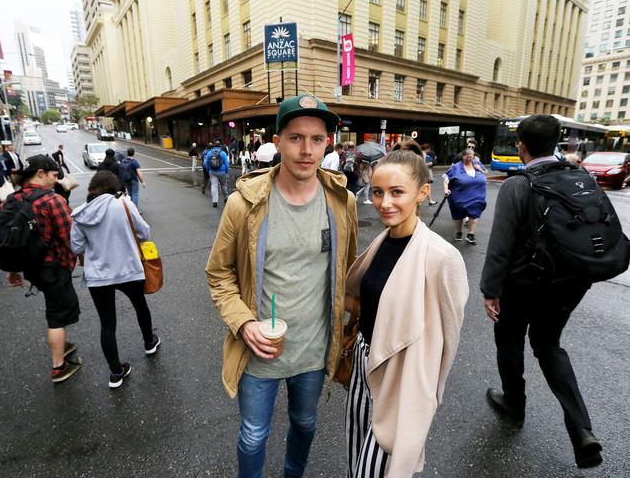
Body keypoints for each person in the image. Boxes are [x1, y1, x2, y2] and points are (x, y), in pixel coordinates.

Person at [205, 94, 358, 478]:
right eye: (295, 138)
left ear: (328, 143)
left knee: (305, 425)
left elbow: (349, 269)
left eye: (317, 139)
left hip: (315, 348)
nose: (306, 151)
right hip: (260, 349)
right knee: (254, 436)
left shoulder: (343, 202)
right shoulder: (244, 205)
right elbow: (219, 274)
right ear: (277, 141)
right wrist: (244, 323)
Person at [480, 114, 603, 469]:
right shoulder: (581, 178)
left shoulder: (518, 187)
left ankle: (514, 403)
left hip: (523, 284)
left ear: (521, 146)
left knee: (509, 339)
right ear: (557, 144)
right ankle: (581, 429)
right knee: (549, 346)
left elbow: (500, 247)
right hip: (571, 282)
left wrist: (490, 289)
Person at [344, 147, 468, 477]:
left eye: (397, 192)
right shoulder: (382, 240)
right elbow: (359, 296)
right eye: (378, 192)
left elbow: (449, 341)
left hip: (402, 378)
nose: (385, 203)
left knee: (378, 465)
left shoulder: (442, 258)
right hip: (362, 364)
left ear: (422, 193)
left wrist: (428, 395)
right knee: (355, 453)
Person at [70, 171, 160, 389]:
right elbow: (145, 232)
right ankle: (149, 342)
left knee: (107, 323)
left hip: (98, 276)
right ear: (114, 187)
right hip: (128, 269)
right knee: (140, 306)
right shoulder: (124, 206)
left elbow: (76, 247)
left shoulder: (79, 214)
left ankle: (116, 372)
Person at [8, 154, 82, 383]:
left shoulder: (11, 200)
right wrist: (82, 258)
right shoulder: (52, 200)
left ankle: (63, 344)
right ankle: (58, 367)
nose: (55, 179)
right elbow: (71, 237)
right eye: (53, 175)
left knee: (54, 306)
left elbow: (8, 239)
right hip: (54, 267)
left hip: (32, 268)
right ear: (40, 174)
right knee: (57, 316)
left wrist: (13, 269)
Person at [443, 148, 487, 244]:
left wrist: (480, 169)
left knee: (475, 212)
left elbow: (485, 172)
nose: (469, 160)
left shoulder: (476, 164)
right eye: (467, 157)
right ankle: (459, 232)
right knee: (458, 214)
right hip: (459, 194)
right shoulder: (456, 167)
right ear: (462, 157)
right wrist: (446, 190)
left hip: (477, 195)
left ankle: (471, 234)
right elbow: (446, 178)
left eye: (471, 158)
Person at [204, 140, 229, 208]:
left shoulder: (209, 153)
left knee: (214, 186)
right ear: (220, 146)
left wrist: (208, 170)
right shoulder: (223, 153)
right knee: (223, 185)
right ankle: (226, 198)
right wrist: (226, 171)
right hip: (222, 172)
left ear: (214, 146)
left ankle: (214, 201)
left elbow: (206, 163)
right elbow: (227, 164)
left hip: (212, 172)